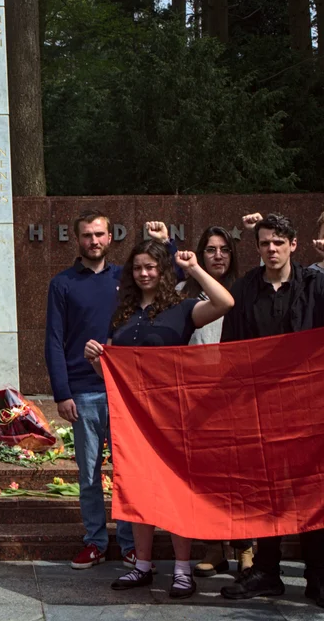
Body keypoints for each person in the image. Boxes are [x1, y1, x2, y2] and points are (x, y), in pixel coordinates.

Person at [218, 213, 324, 610]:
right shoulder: (246, 288)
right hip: (260, 406)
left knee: (312, 490)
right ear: (258, 246)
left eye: (279, 242)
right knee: (266, 490)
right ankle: (267, 570)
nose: (271, 249)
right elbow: (232, 349)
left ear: (294, 245)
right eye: (264, 243)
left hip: (310, 405)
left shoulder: (317, 283)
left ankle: (318, 573)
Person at [84, 240, 234, 597]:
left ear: (163, 271)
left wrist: (194, 268)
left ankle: (182, 570)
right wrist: (96, 359)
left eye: (151, 266)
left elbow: (225, 302)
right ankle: (143, 566)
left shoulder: (182, 308)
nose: (144, 273)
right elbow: (112, 371)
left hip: (173, 414)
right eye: (137, 268)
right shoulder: (123, 313)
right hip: (133, 418)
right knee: (138, 489)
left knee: (175, 491)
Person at [46, 214, 171, 570]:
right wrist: (61, 392)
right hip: (83, 392)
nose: (94, 240)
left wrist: (165, 243)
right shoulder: (63, 284)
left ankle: (130, 543)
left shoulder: (126, 278)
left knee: (127, 471)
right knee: (89, 473)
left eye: (99, 233)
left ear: (110, 236)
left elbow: (168, 280)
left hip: (126, 391)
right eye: (87, 235)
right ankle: (96, 541)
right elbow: (53, 342)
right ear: (77, 239)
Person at [182, 215, 259, 578]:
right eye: (210, 250)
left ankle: (246, 547)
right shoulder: (185, 294)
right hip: (198, 398)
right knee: (207, 479)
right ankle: (214, 548)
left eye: (224, 250)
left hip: (237, 396)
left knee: (242, 478)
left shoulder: (244, 290)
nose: (217, 256)